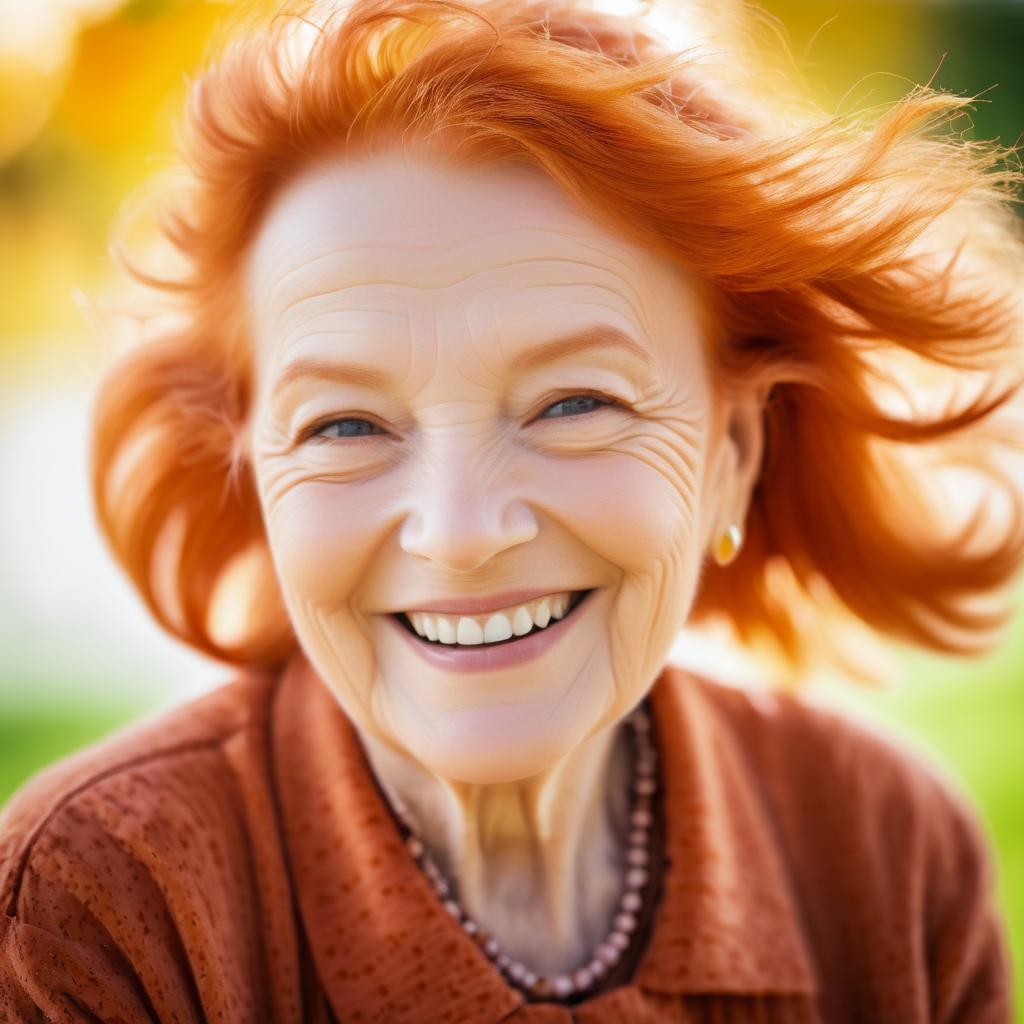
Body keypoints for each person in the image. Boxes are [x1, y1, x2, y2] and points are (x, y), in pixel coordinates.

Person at [2, 0, 1022, 1020]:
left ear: (732, 453)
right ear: (256, 468)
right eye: (345, 425)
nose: (458, 530)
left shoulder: (888, 856)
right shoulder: (93, 902)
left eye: (574, 403)